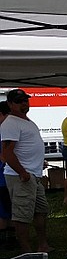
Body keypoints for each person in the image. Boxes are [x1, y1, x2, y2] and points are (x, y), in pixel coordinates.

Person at [0, 89, 51, 252]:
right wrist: (22, 172)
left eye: (25, 100)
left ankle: (43, 245)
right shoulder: (11, 123)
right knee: (22, 216)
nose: (24, 103)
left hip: (33, 175)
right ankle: (27, 251)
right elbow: (7, 153)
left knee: (41, 210)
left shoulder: (26, 120)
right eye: (19, 101)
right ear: (10, 104)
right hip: (21, 176)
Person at [0, 101, 12, 236]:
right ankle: (8, 238)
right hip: (4, 178)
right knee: (6, 210)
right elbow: (4, 157)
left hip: (4, 177)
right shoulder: (3, 131)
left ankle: (8, 236)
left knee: (6, 209)